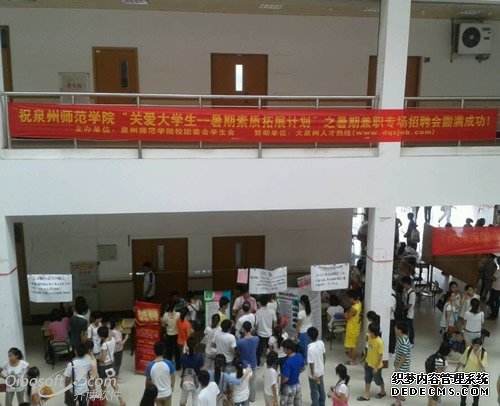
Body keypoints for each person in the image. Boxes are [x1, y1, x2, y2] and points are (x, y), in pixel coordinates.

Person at [97, 326, 126, 406]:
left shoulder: (104, 344)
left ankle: (104, 401)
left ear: (101, 336)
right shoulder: (112, 339)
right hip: (111, 364)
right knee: (114, 384)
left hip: (103, 366)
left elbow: (102, 359)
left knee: (103, 385)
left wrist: (96, 357)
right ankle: (121, 401)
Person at [357, 323, 386, 401]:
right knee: (367, 378)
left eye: (368, 330)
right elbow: (368, 348)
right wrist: (364, 357)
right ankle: (366, 394)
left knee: (378, 380)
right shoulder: (369, 337)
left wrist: (376, 367)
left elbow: (380, 356)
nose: (367, 331)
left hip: (376, 366)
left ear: (372, 332)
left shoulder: (379, 342)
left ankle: (383, 391)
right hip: (368, 362)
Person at [455, 338, 487, 406]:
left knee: (475, 392)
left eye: (478, 346)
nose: (476, 348)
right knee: (464, 390)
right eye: (474, 346)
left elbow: (483, 366)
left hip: (477, 375)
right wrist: (456, 370)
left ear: (481, 346)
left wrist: (478, 357)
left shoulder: (484, 353)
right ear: (472, 345)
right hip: (467, 373)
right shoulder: (468, 349)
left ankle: (475, 404)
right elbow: (462, 360)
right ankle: (462, 404)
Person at [145, 342, 175, 406]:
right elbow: (173, 377)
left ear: (154, 352)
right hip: (167, 393)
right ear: (164, 351)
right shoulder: (169, 363)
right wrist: (172, 387)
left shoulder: (149, 366)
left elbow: (148, 381)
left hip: (156, 394)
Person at [236, 321, 259, 403]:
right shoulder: (256, 339)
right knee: (253, 381)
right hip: (254, 363)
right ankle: (252, 398)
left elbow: (238, 352)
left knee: (244, 382)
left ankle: (245, 397)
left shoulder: (240, 342)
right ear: (251, 328)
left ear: (243, 329)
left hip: (244, 364)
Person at [280, 339, 305, 406]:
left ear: (289, 350)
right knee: (297, 403)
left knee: (286, 403)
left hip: (288, 387)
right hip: (297, 385)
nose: (283, 350)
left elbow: (286, 378)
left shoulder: (288, 362)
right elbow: (303, 368)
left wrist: (281, 382)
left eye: (284, 349)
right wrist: (295, 372)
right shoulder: (300, 356)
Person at [180, 337, 204, 406]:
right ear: (196, 346)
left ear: (187, 345)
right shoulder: (200, 356)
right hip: (196, 380)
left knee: (183, 400)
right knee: (195, 400)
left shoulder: (183, 357)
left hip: (185, 379)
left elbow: (183, 369)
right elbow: (201, 370)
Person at [427, 342, 452, 406]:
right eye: (450, 350)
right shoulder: (440, 360)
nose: (451, 351)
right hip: (437, 381)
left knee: (432, 395)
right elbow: (439, 373)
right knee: (435, 399)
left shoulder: (438, 354)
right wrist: (440, 384)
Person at [255, 295, 277, 367]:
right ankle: (270, 364)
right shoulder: (272, 311)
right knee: (270, 349)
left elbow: (256, 324)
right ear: (267, 302)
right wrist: (273, 331)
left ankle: (258, 363)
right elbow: (275, 322)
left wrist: (255, 330)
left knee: (259, 350)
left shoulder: (258, 312)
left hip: (259, 333)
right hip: (269, 333)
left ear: (260, 303)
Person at [393, 321, 411, 406]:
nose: (394, 329)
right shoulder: (400, 337)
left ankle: (398, 402)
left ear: (400, 330)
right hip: (399, 364)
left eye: (396, 328)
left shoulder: (404, 341)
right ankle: (401, 396)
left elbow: (404, 356)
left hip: (402, 366)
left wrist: (398, 367)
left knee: (399, 384)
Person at [307, 327, 326, 406]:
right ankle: (322, 403)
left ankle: (315, 404)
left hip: (314, 373)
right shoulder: (321, 343)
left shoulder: (310, 348)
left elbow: (311, 362)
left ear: (309, 337)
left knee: (314, 390)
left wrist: (313, 374)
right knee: (321, 388)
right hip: (321, 370)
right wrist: (323, 365)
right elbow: (324, 355)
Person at [343, 290, 362, 365]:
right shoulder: (359, 303)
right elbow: (349, 311)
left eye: (348, 298)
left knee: (353, 346)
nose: (347, 300)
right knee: (352, 345)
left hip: (352, 328)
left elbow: (347, 317)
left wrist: (345, 314)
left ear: (351, 298)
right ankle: (351, 357)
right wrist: (348, 312)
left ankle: (352, 361)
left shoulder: (354, 308)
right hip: (355, 327)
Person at [162, 300, 181, 371]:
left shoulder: (165, 315)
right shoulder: (178, 314)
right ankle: (178, 367)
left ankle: (169, 366)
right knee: (177, 352)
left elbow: (163, 324)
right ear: (175, 307)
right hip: (176, 335)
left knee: (169, 352)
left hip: (168, 335)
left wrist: (167, 325)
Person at [400, 276, 416, 346]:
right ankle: (405, 340)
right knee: (405, 327)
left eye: (403, 283)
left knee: (410, 328)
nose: (402, 285)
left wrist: (402, 308)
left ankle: (411, 342)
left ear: (406, 283)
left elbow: (410, 304)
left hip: (409, 313)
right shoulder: (405, 291)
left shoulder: (412, 293)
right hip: (406, 313)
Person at [296, 295, 312, 359]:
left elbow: (298, 325)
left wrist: (297, 336)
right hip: (310, 330)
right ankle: (309, 359)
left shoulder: (301, 313)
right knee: (308, 347)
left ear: (302, 302)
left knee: (303, 348)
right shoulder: (310, 311)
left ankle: (305, 361)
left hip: (303, 332)